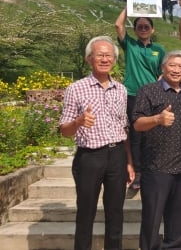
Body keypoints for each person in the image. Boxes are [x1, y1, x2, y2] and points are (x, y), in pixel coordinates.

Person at [59, 35, 135, 250]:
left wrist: (129, 161)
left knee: (115, 213)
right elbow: (64, 130)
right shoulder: (76, 88)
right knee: (86, 212)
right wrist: (79, 121)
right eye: (99, 55)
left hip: (117, 155)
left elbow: (124, 127)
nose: (104, 59)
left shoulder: (120, 90)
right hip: (89, 157)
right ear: (89, 59)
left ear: (114, 59)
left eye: (108, 55)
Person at [132, 51, 181, 250]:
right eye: (172, 65)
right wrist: (157, 119)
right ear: (163, 67)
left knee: (178, 219)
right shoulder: (148, 91)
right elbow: (137, 123)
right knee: (152, 217)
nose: (176, 70)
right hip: (156, 165)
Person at [115, 0, 166, 190]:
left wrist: (159, 84)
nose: (143, 29)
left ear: (152, 30)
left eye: (146, 26)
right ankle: (137, 172)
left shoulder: (159, 49)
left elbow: (164, 71)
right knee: (136, 135)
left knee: (153, 133)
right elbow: (119, 25)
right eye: (139, 27)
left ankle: (152, 168)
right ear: (135, 30)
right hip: (133, 94)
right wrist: (130, 4)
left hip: (152, 95)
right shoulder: (130, 45)